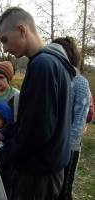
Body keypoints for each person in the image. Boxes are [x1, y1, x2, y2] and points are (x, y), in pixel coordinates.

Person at [0, 7, 76, 200]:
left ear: (22, 30)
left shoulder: (42, 65)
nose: (4, 48)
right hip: (49, 170)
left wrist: (1, 155)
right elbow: (32, 121)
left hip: (37, 175)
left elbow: (38, 132)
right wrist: (1, 133)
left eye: (5, 40)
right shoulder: (53, 63)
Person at [52, 37, 91, 200]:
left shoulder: (80, 82)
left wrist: (65, 147)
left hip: (69, 148)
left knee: (64, 191)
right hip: (53, 147)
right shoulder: (58, 78)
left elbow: (79, 120)